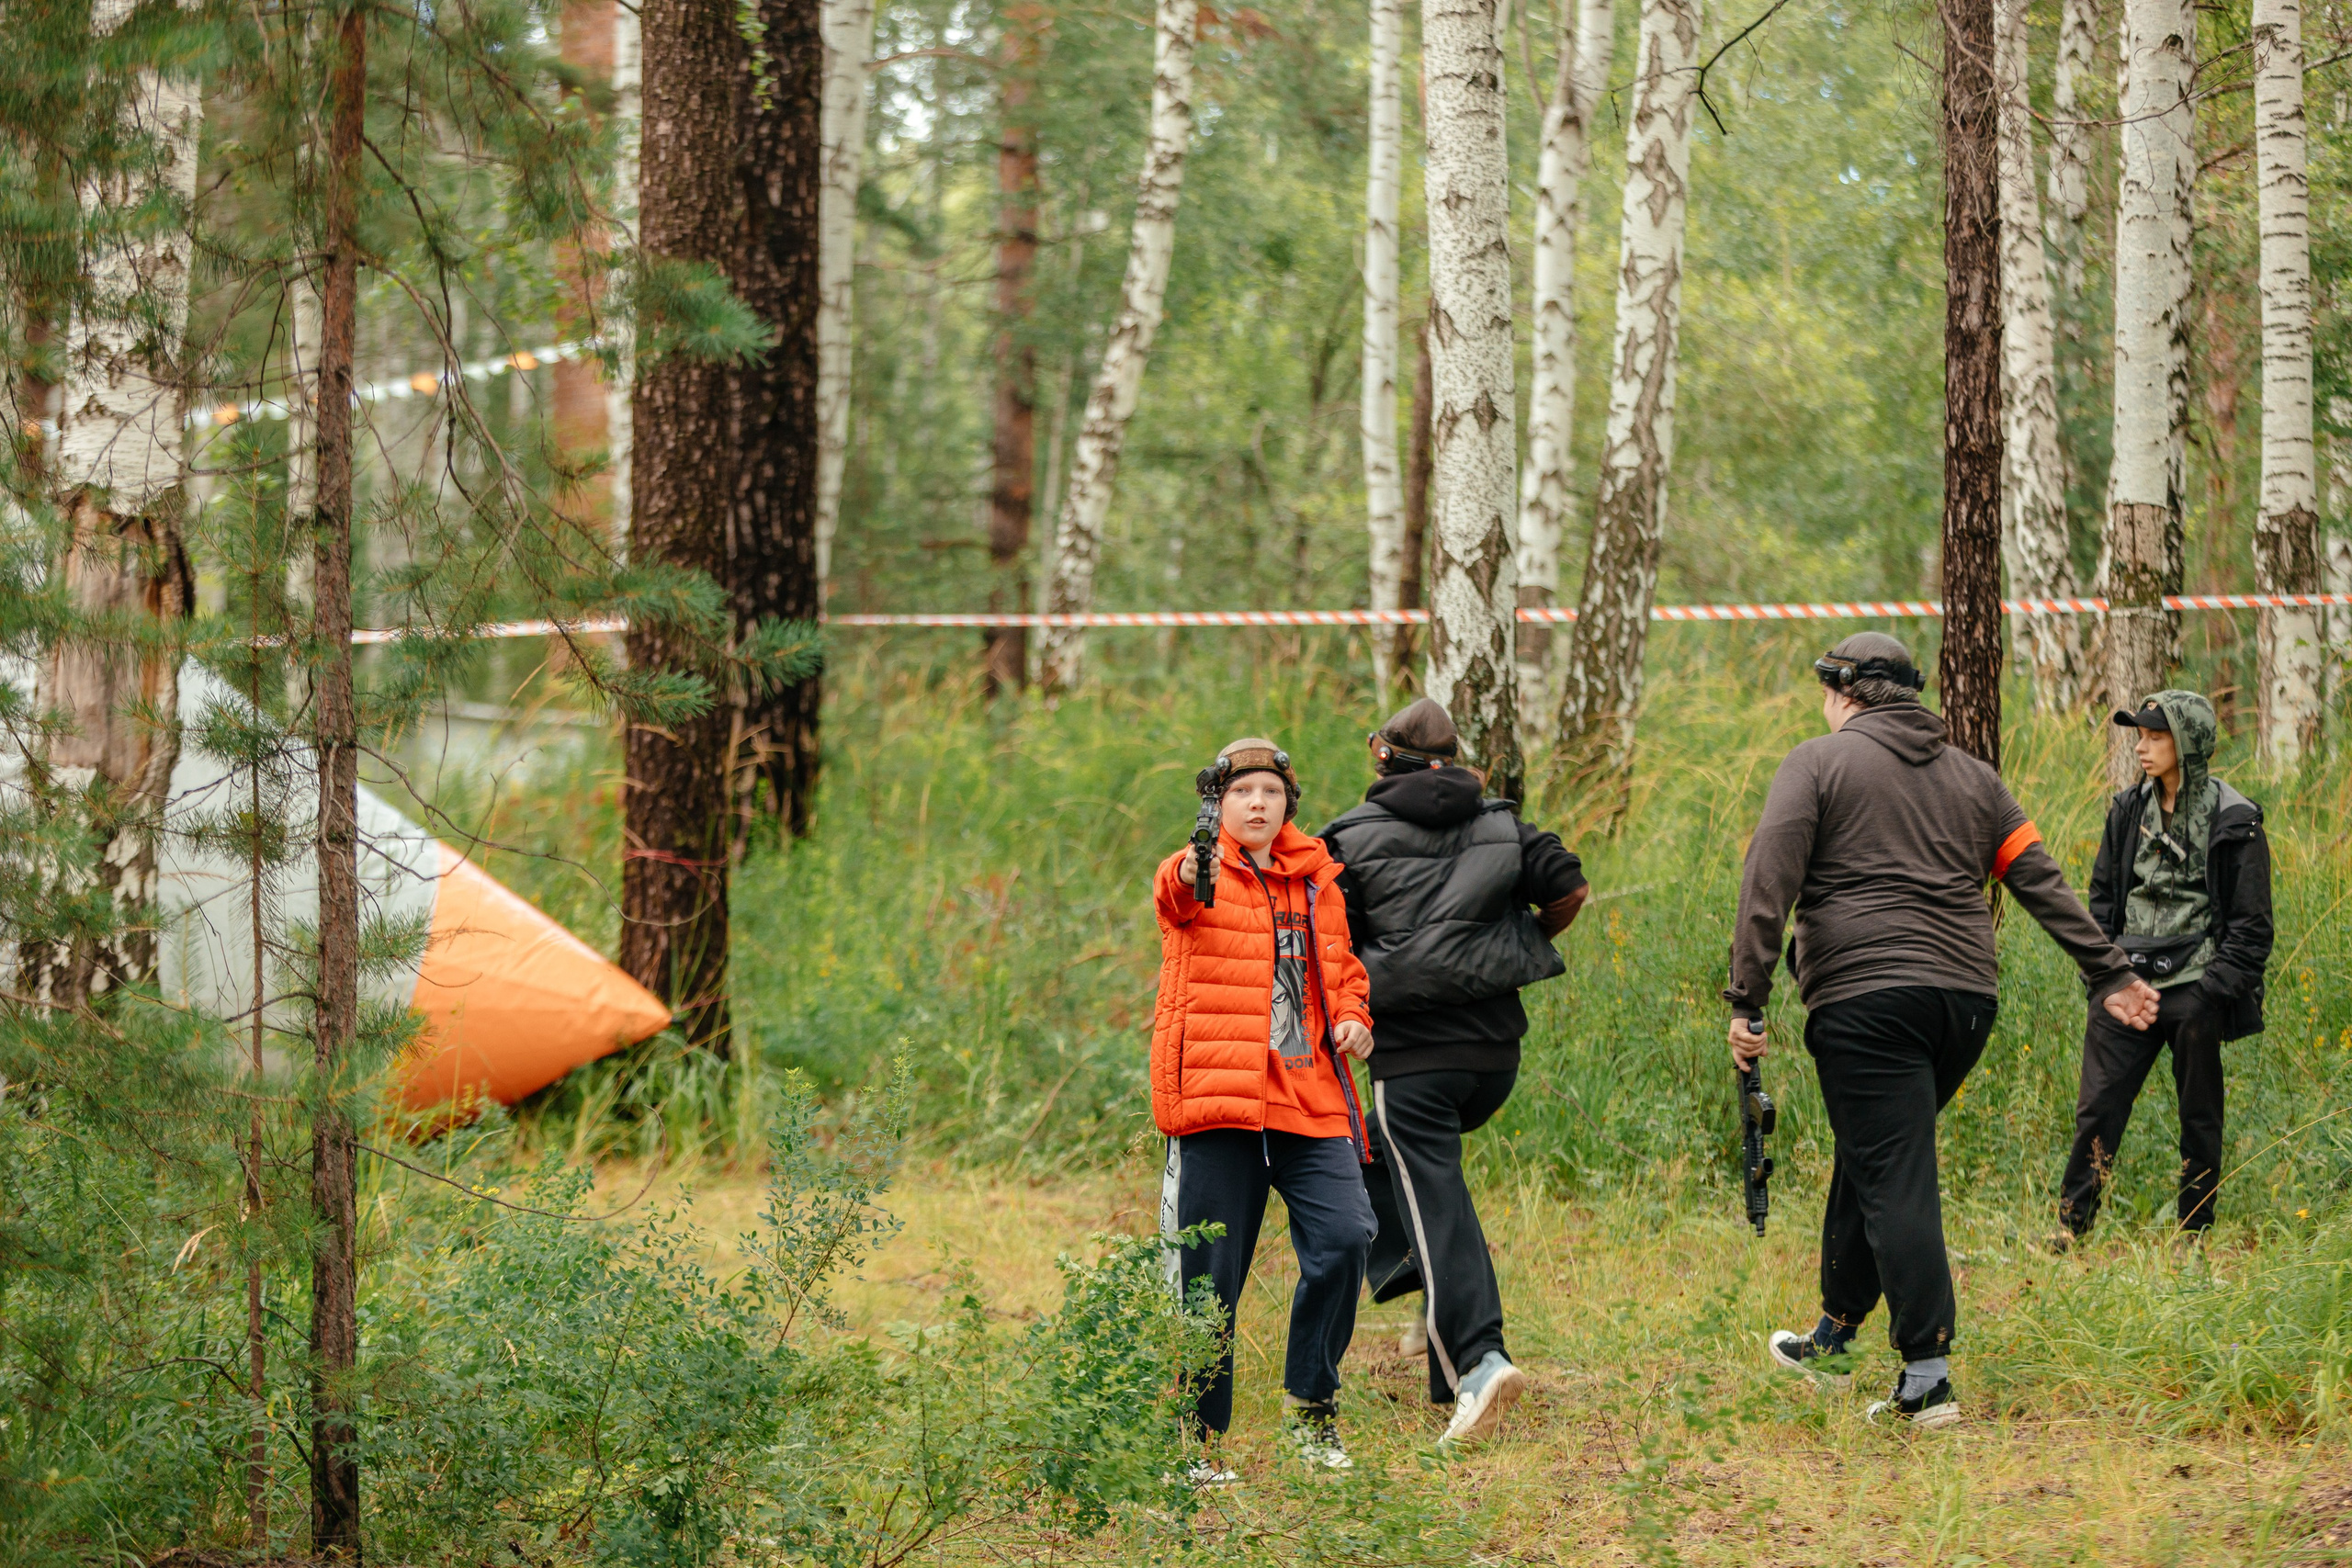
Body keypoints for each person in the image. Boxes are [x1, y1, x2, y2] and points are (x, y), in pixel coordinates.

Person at [1724, 633, 2160, 1429]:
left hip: (1865, 999)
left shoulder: (1816, 763)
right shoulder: (1977, 779)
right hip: (1965, 1003)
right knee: (1879, 1154)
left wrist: (1746, 999)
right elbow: (2040, 880)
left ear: (1843, 692)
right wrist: (2109, 971)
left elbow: (1769, 880)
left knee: (1892, 1171)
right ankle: (1836, 1332)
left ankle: (1926, 1375)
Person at [1317, 698, 1588, 1446]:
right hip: (1493, 1054)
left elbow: (1325, 936)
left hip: (1409, 1056)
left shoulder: (1348, 837)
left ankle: (1477, 1359)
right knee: (1369, 1148)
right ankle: (1423, 1285)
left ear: (1382, 756)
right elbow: (1569, 885)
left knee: (1428, 1187)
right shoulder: (1503, 821)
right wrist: (1522, 938)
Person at [1152, 737, 1379, 1476]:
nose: (1257, 804)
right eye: (1242, 792)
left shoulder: (1317, 878)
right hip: (1219, 1102)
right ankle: (1199, 1439)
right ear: (1218, 802)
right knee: (1210, 1276)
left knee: (1347, 1237)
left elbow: (1342, 967)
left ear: (1288, 803)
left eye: (1270, 793)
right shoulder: (1200, 868)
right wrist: (1193, 864)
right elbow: (1175, 891)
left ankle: (1311, 1412)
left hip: (1307, 1097)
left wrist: (1353, 1016)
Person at [2052, 691, 2273, 1249]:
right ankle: (2070, 1228)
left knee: (2199, 1115)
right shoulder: (2127, 810)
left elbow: (2252, 928)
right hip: (2127, 981)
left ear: (2189, 744)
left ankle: (2193, 1232)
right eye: (2139, 737)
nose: (2142, 747)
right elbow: (2100, 903)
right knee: (2097, 1107)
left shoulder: (2235, 818)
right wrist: (2104, 978)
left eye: (2155, 737)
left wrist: (2209, 996)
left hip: (2195, 985)